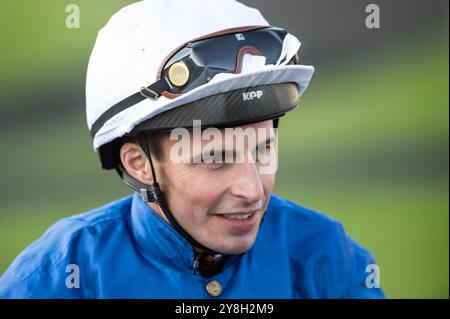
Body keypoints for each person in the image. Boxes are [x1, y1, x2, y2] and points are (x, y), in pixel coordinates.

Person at [0, 0, 384, 298]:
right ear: (139, 164)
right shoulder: (52, 277)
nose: (253, 191)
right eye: (215, 159)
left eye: (263, 149)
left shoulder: (327, 254)